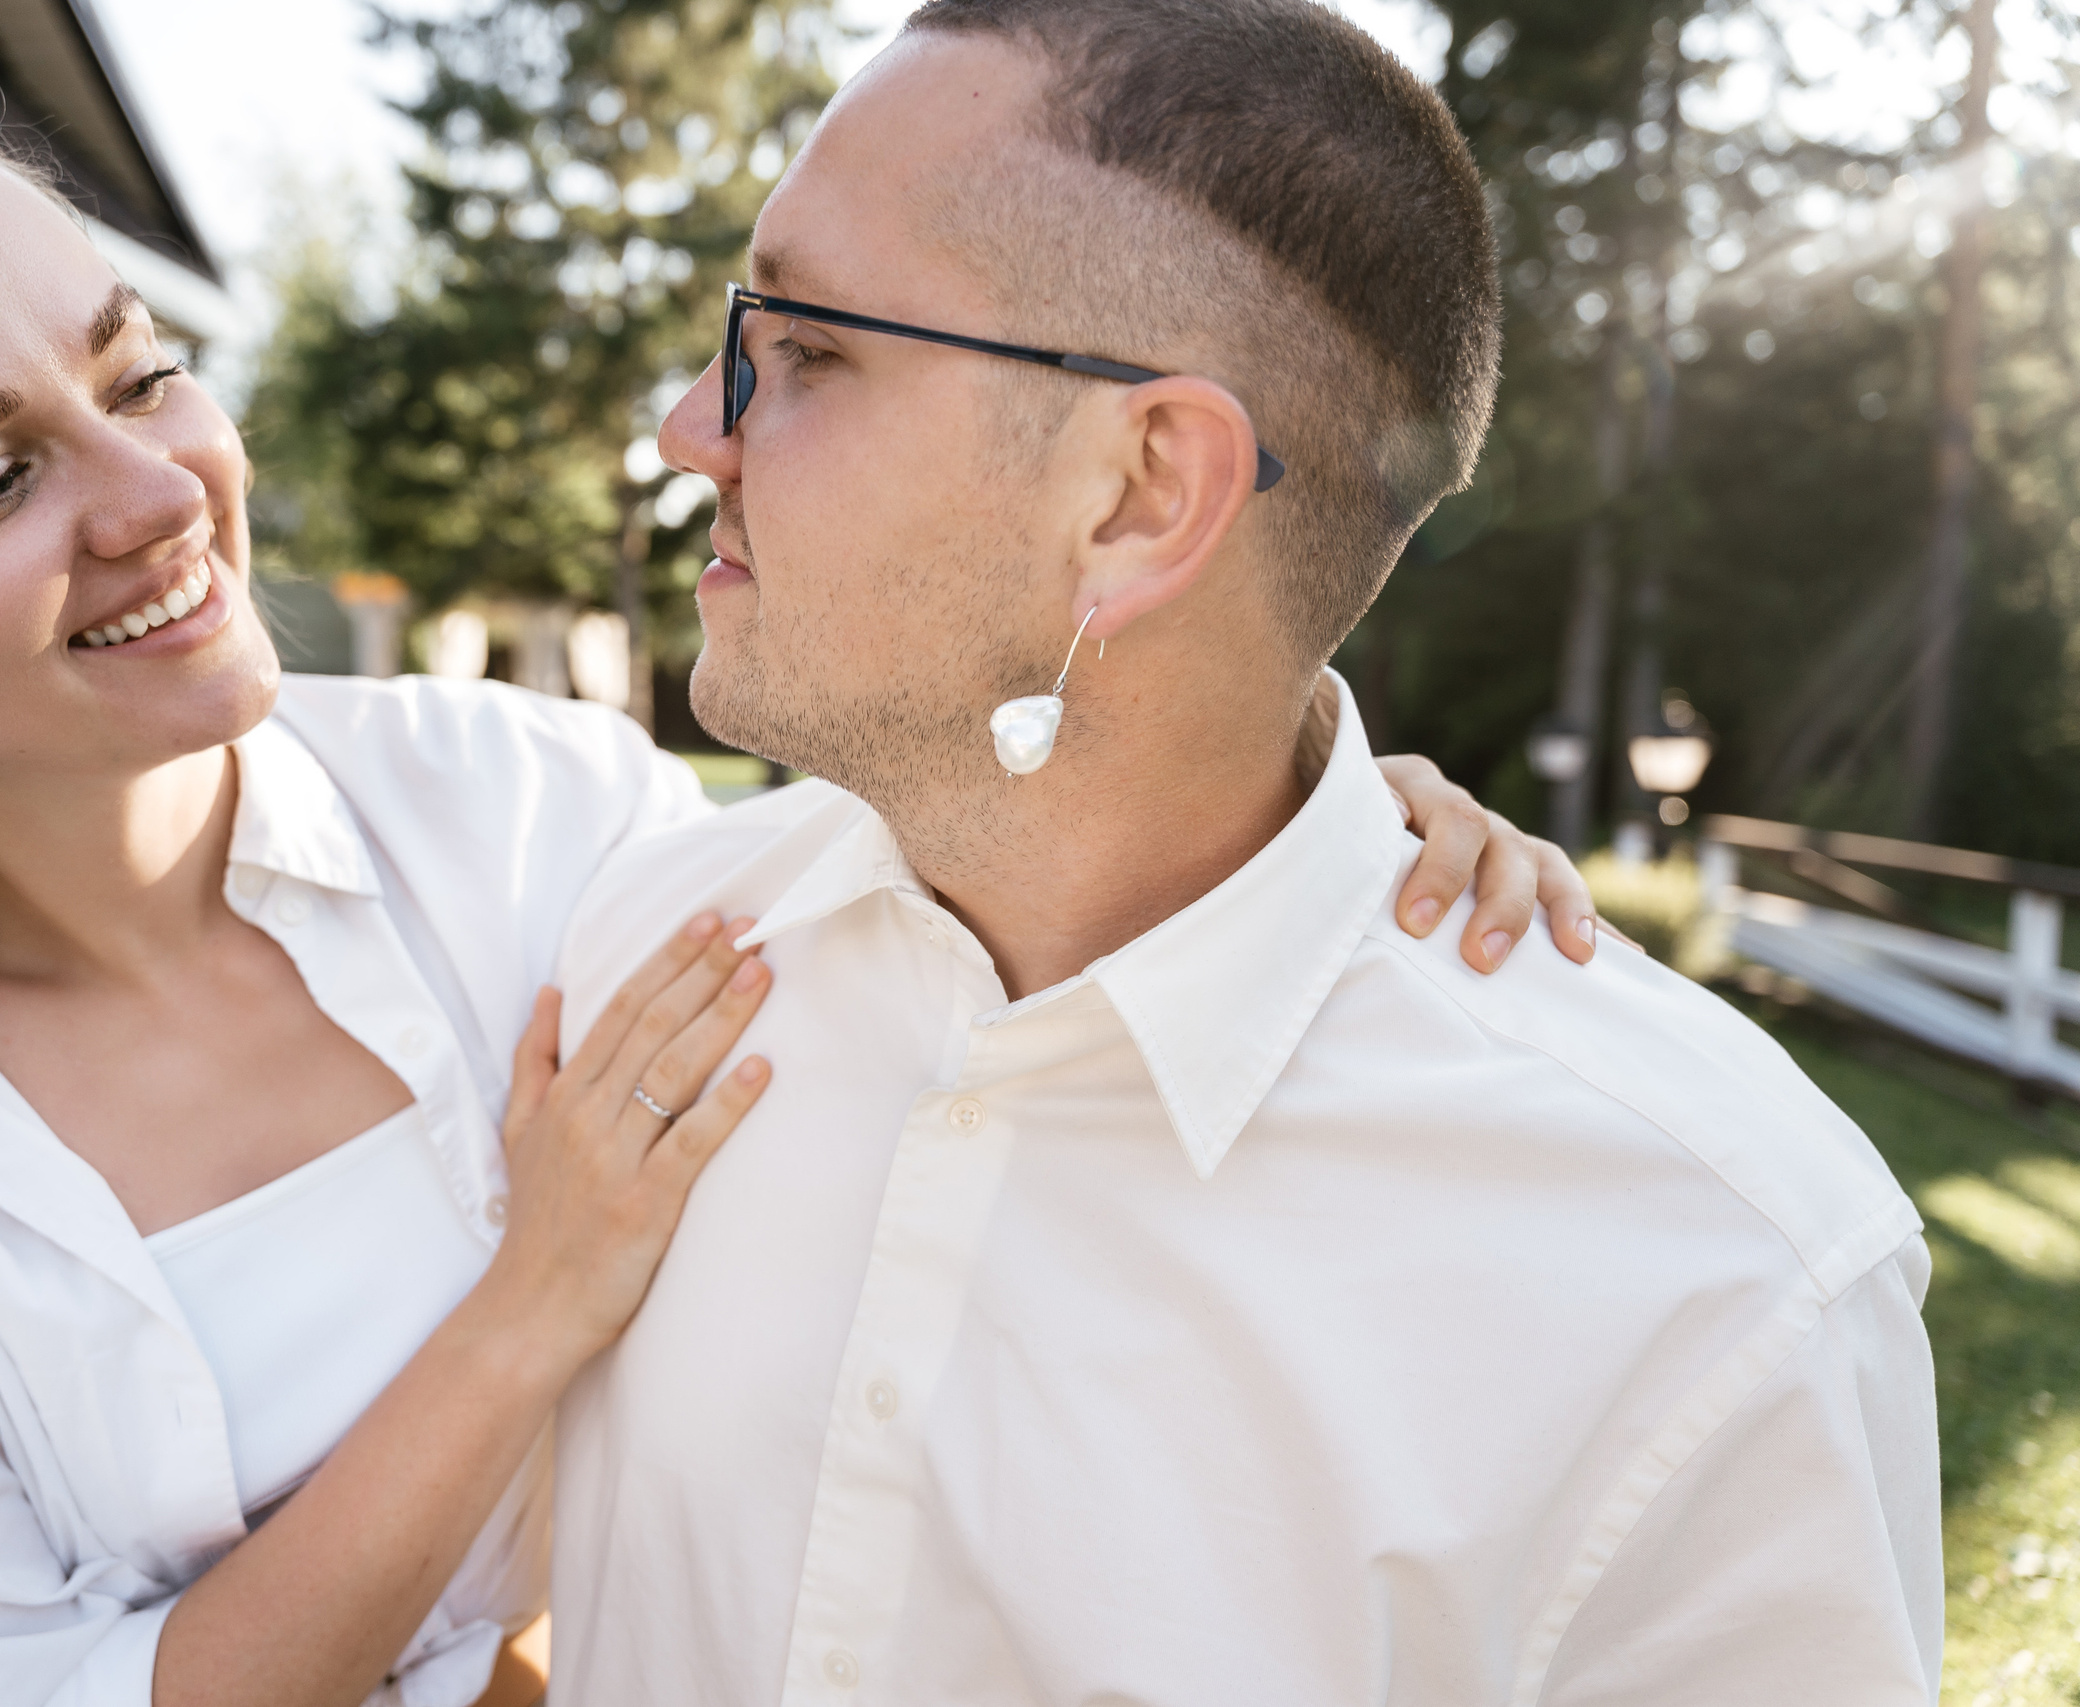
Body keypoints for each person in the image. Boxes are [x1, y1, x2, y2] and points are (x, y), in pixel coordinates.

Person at [0, 8, 1592, 1707]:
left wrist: (1312, 802)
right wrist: (531, 1305)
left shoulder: (536, 817)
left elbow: (1001, 921)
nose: (156, 492)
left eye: (140, 369)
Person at [545, 4, 1943, 1704]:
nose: (692, 427)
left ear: (1142, 496)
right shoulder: (629, 952)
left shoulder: (1718, 1288)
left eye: (811, 349)